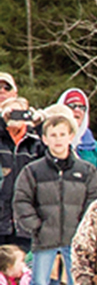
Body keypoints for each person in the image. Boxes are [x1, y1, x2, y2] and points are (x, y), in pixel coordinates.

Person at [13, 104, 97, 285]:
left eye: (62, 134)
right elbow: (21, 201)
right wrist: (36, 227)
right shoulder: (34, 171)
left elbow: (95, 202)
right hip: (45, 238)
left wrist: (83, 230)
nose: (58, 140)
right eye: (53, 135)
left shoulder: (86, 170)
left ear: (71, 136)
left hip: (76, 240)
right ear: (45, 139)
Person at [0, 95, 44, 250]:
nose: (16, 117)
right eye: (12, 113)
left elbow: (56, 159)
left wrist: (40, 125)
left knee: (23, 269)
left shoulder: (36, 143)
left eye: (21, 113)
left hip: (25, 222)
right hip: (2, 218)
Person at [58, 88, 97, 184]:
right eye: (72, 106)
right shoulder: (47, 143)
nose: (77, 110)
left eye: (82, 107)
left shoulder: (96, 150)